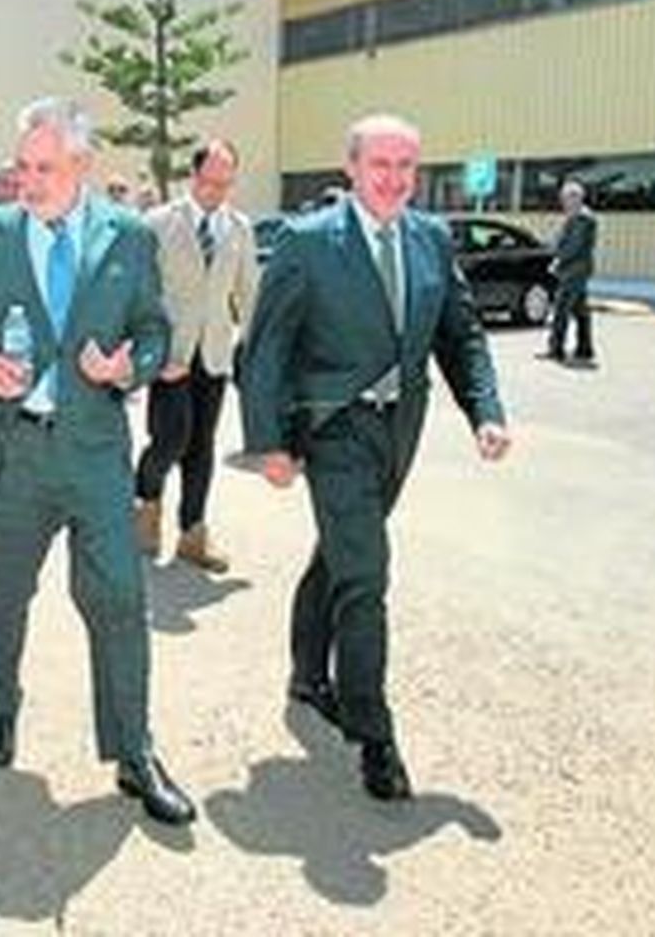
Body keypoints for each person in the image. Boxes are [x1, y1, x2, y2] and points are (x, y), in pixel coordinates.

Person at [237, 113, 510, 801]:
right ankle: (373, 731)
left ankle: (306, 672)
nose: (393, 178)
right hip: (333, 425)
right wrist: (268, 440)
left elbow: (461, 333)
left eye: (406, 166)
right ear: (351, 168)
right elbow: (266, 346)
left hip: (398, 431)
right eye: (379, 164)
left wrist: (487, 412)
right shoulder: (307, 242)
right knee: (367, 573)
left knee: (342, 552)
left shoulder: (430, 236)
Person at [0, 97, 195, 827]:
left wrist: (130, 367)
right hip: (15, 453)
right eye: (22, 166)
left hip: (94, 455)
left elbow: (154, 327)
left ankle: (134, 750)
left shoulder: (127, 235)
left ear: (83, 166)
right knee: (5, 597)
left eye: (44, 167)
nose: (27, 180)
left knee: (120, 599)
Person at [133, 138, 260, 570]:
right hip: (171, 354)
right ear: (194, 176)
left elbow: (248, 292)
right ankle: (145, 503)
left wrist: (257, 343)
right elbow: (141, 291)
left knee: (202, 446)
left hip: (215, 354)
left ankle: (193, 534)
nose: (216, 192)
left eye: (225, 184)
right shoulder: (159, 223)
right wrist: (150, 350)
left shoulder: (239, 228)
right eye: (209, 182)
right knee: (170, 440)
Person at [541, 179, 598, 367]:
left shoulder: (583, 218)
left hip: (574, 270)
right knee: (580, 310)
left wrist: (558, 260)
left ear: (576, 198)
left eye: (565, 198)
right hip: (576, 269)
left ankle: (556, 348)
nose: (563, 203)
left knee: (561, 309)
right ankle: (585, 347)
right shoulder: (576, 216)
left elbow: (574, 246)